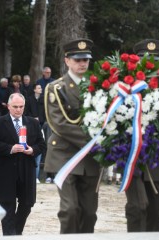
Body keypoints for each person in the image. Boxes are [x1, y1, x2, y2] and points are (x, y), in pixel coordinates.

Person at [44, 38, 100, 233]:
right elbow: (59, 123)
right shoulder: (56, 88)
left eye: (86, 59)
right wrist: (95, 142)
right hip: (65, 155)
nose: (83, 63)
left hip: (91, 158)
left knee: (89, 212)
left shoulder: (99, 87)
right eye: (78, 60)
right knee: (70, 210)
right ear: (67, 61)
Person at [124, 39, 159, 232]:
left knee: (158, 213)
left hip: (158, 157)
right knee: (137, 207)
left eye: (154, 60)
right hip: (133, 156)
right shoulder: (126, 87)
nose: (150, 64)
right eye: (145, 59)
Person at [0, 93, 46, 235]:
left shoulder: (32, 122)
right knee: (7, 207)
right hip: (6, 171)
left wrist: (32, 150)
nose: (18, 110)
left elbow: (42, 145)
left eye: (21, 107)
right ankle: (10, 236)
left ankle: (16, 233)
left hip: (26, 170)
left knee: (27, 204)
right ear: (8, 106)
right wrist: (10, 148)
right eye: (15, 107)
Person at [24, 83, 45, 183]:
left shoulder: (43, 99)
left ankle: (36, 176)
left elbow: (45, 112)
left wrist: (40, 119)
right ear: (34, 90)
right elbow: (26, 112)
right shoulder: (29, 99)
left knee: (40, 145)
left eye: (41, 87)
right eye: (39, 87)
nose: (40, 89)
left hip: (41, 125)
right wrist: (33, 118)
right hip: (31, 124)